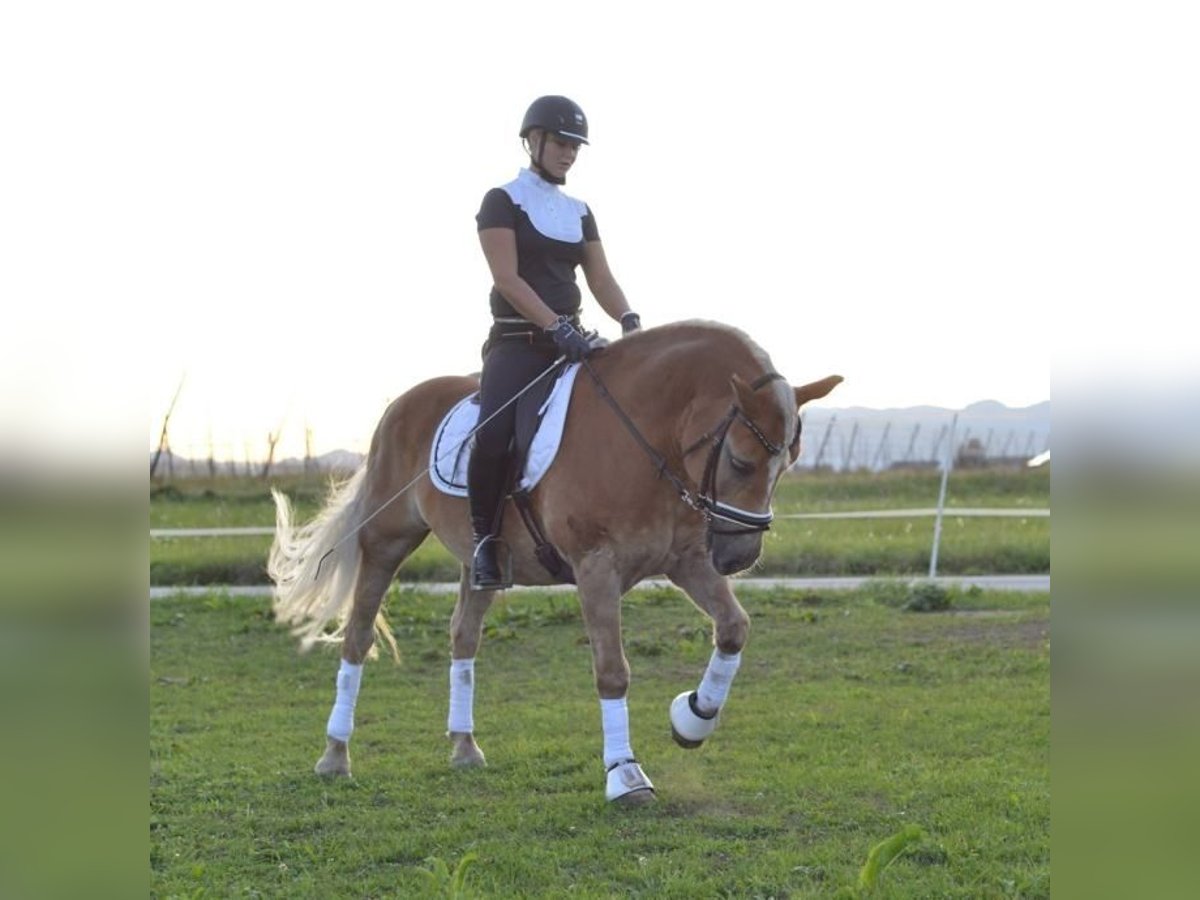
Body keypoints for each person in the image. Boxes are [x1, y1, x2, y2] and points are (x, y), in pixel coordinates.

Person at [468, 95, 641, 590]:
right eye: (562, 143)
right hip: (518, 345)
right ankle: (485, 540)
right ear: (534, 141)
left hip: (573, 346)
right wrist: (555, 327)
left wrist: (628, 318)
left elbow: (601, 279)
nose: (569, 153)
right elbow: (508, 280)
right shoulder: (502, 201)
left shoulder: (579, 212)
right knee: (496, 435)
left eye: (575, 147)